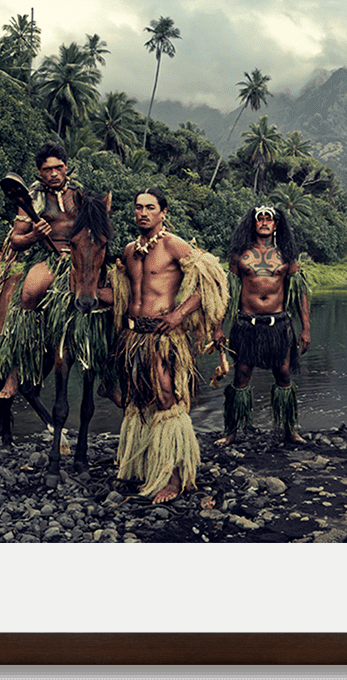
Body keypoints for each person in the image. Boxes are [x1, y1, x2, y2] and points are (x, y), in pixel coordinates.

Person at [110, 188, 227, 503]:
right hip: (134, 339)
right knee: (139, 399)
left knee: (167, 399)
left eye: (150, 207)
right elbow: (119, 295)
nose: (143, 213)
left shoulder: (173, 245)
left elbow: (210, 282)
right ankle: (143, 467)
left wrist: (179, 314)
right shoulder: (129, 251)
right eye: (138, 207)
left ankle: (175, 479)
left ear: (163, 213)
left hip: (164, 338)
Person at [0, 141, 91, 400]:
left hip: (81, 259)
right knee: (29, 293)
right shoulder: (31, 199)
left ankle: (110, 373)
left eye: (59, 167)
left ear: (66, 168)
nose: (54, 173)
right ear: (39, 172)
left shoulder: (80, 195)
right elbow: (15, 240)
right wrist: (34, 234)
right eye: (48, 169)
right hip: (47, 258)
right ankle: (14, 371)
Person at [214, 205, 311, 445]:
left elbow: (299, 294)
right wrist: (218, 327)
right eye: (261, 219)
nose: (265, 222)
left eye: (270, 219)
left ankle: (289, 429)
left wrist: (306, 328)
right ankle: (232, 431)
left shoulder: (287, 256)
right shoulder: (239, 255)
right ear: (254, 223)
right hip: (247, 324)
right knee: (241, 377)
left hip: (278, 324)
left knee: (284, 374)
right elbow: (227, 293)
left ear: (276, 225)